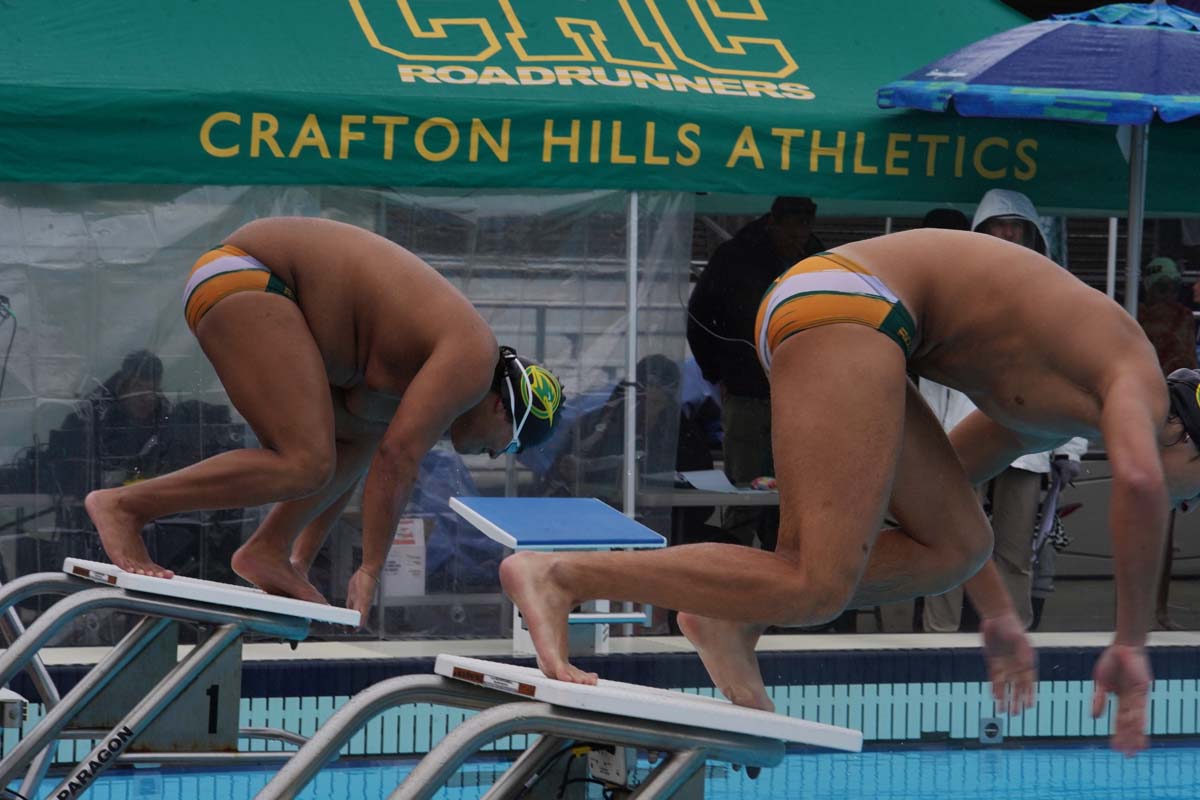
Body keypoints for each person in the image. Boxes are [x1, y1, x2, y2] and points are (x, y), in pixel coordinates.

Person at [500, 228, 1200, 757]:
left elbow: (932, 502)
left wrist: (997, 618)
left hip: (857, 316)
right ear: (1189, 444)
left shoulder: (1053, 405)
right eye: (1194, 493)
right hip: (851, 303)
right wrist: (1132, 642)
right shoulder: (1134, 375)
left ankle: (730, 616)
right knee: (816, 580)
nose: (1181, 508)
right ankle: (562, 574)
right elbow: (1137, 485)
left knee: (954, 547)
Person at [83, 217, 564, 621]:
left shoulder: (417, 370)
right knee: (305, 460)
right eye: (512, 443)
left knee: (352, 442)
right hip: (250, 275)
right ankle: (126, 507)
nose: (498, 454)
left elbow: (358, 456)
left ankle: (270, 549)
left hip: (250, 283)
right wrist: (371, 567)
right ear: (504, 407)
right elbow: (398, 462)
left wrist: (300, 559)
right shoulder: (473, 360)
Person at [922, 191, 1087, 633]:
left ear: (1034, 234)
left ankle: (1016, 643)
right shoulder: (953, 291)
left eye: (1017, 225)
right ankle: (937, 642)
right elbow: (932, 376)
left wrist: (1069, 447)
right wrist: (929, 444)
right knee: (951, 545)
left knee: (1015, 553)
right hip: (961, 441)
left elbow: (1073, 373)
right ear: (982, 231)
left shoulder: (1058, 295)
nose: (1008, 233)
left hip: (1029, 440)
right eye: (999, 224)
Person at [687, 196, 823, 550]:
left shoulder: (819, 259)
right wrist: (717, 371)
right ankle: (739, 580)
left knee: (794, 495)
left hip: (801, 398)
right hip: (747, 392)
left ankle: (784, 574)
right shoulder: (734, 257)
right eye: (792, 229)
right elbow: (699, 315)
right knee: (743, 496)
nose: (799, 237)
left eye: (805, 229)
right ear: (772, 223)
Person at [1136, 255, 1197, 630]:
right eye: (1161, 285)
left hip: (1173, 425)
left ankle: (1154, 610)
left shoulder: (1180, 318)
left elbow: (1183, 365)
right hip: (1154, 423)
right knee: (1151, 525)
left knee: (1161, 526)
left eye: (1168, 286)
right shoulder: (1139, 318)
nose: (1165, 293)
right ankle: (1146, 611)